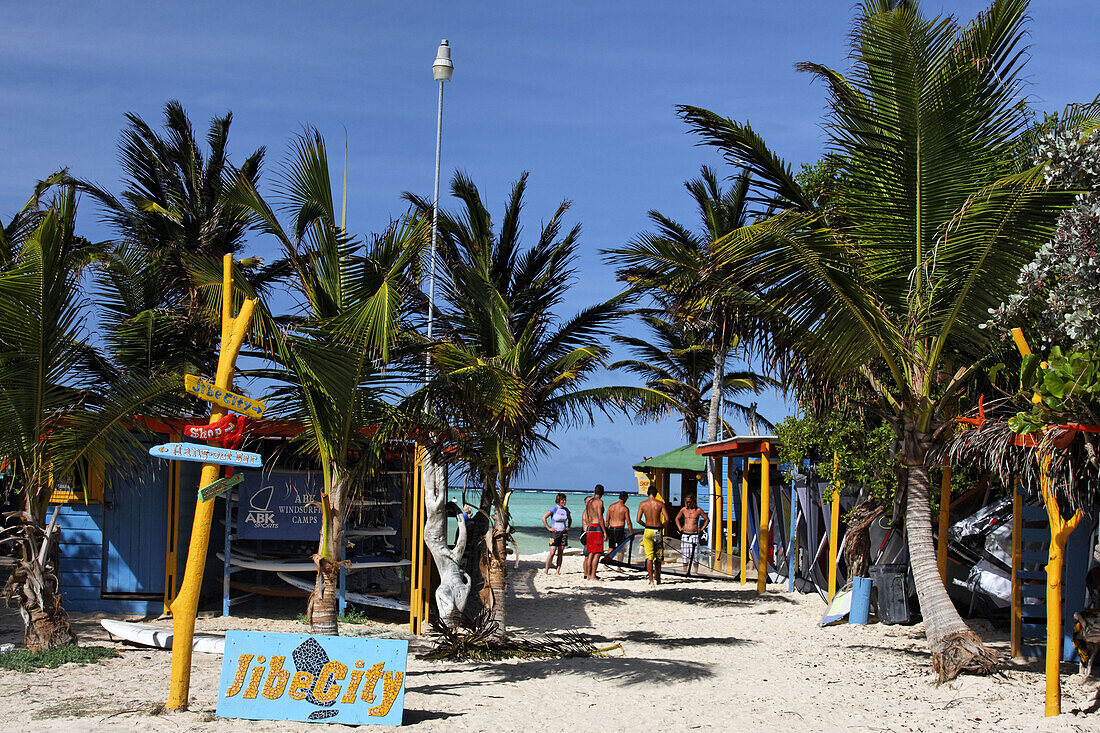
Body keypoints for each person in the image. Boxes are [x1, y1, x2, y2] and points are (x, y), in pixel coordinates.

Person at [636, 487, 669, 585]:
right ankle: (658, 579)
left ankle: (650, 580)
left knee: (649, 556)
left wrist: (645, 525)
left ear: (647, 493)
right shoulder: (660, 504)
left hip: (648, 530)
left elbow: (638, 519)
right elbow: (667, 519)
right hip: (657, 530)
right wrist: (662, 526)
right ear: (656, 493)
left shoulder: (643, 504)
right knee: (658, 556)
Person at [675, 495, 710, 573]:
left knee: (695, 554)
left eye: (690, 502)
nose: (688, 504)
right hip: (685, 534)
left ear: (693, 501)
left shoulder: (698, 510)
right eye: (687, 502)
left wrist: (702, 528)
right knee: (685, 554)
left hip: (694, 534)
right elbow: (677, 518)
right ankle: (685, 571)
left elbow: (707, 519)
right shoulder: (683, 510)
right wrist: (680, 528)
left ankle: (695, 571)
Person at [541, 493, 571, 574]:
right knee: (552, 552)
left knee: (560, 553)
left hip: (563, 533)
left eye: (565, 500)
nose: (564, 501)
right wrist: (549, 528)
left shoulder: (566, 510)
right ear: (558, 501)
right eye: (562, 500)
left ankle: (558, 570)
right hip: (554, 533)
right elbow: (544, 518)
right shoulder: (554, 509)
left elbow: (569, 518)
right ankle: (546, 570)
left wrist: (568, 526)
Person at [582, 484, 607, 580]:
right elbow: (600, 517)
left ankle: (588, 575)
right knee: (597, 553)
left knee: (590, 553)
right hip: (596, 528)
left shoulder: (589, 502)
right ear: (602, 493)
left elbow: (587, 516)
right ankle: (593, 575)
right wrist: (604, 531)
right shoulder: (599, 502)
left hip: (590, 527)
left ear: (594, 491)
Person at [605, 491, 633, 568]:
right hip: (619, 529)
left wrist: (606, 531)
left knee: (611, 547)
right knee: (621, 548)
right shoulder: (625, 508)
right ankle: (619, 567)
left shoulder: (611, 506)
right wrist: (631, 533)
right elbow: (629, 522)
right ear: (625, 498)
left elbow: (607, 520)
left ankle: (606, 563)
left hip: (611, 528)